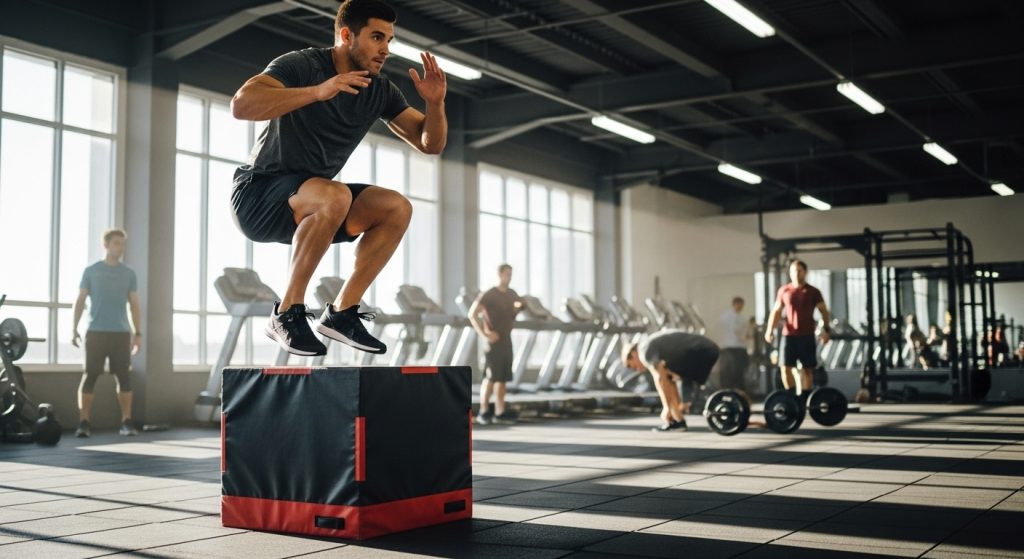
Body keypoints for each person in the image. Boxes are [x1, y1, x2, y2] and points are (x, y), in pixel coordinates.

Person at [230, 0, 447, 356]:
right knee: (335, 195)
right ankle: (286, 313)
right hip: (258, 197)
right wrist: (319, 91)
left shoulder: (380, 90)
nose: (385, 49)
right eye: (376, 37)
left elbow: (430, 143)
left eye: (389, 40)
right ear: (347, 35)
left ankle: (342, 313)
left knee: (396, 207)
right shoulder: (303, 64)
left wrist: (435, 105)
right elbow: (242, 105)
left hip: (315, 204)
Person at [71, 229, 142, 437]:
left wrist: (138, 333)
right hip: (95, 332)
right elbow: (80, 300)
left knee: (124, 378)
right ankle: (84, 423)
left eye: (123, 244)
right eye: (116, 243)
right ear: (106, 245)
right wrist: (73, 328)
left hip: (120, 334)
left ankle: (126, 422)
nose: (121, 248)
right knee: (90, 376)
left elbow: (134, 304)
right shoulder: (91, 271)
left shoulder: (129, 273)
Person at [621, 330, 720, 432]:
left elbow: (660, 379)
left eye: (633, 366)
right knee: (670, 375)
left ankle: (678, 417)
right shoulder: (650, 344)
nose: (638, 370)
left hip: (699, 350)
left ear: (633, 354)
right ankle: (680, 415)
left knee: (663, 376)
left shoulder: (644, 351)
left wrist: (666, 407)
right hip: (709, 349)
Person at [764, 259, 831, 395]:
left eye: (799, 270)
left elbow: (824, 311)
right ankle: (791, 397)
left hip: (807, 335)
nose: (796, 273)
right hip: (789, 335)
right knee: (785, 368)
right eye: (793, 271)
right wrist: (770, 329)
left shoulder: (813, 291)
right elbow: (776, 311)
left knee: (807, 369)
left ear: (805, 272)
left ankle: (805, 397)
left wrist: (826, 330)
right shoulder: (784, 290)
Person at [467, 264, 522, 425]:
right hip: (493, 342)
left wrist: (519, 307)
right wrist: (485, 334)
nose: (509, 277)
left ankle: (499, 411)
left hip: (506, 340)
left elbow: (516, 309)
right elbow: (472, 314)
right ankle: (484, 411)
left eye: (511, 274)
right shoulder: (489, 294)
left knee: (502, 379)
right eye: (507, 274)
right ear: (499, 274)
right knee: (490, 377)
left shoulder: (512, 294)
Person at [718, 296, 749, 392]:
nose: (740, 306)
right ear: (734, 304)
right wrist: (742, 336)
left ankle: (739, 390)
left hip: (740, 347)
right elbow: (735, 330)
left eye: (741, 305)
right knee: (731, 371)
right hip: (731, 347)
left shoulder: (742, 318)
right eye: (738, 304)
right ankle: (729, 390)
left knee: (740, 371)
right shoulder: (728, 316)